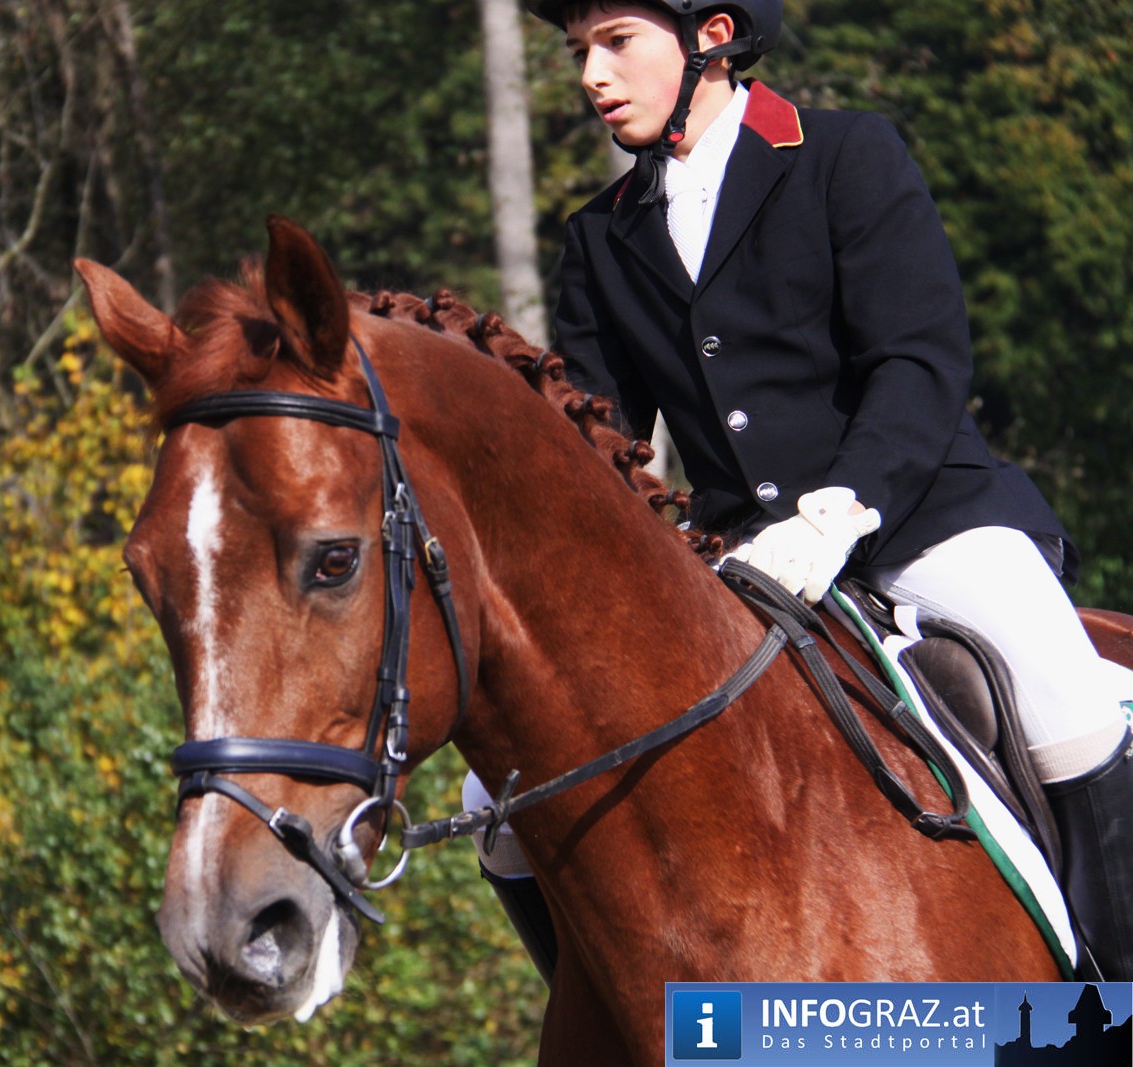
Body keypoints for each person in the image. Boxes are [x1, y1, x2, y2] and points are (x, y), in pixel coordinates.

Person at [477, 0, 1132, 982]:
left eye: (615, 43)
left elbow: (917, 360)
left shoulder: (843, 154)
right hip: (744, 555)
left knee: (1062, 693)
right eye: (580, 52)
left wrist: (840, 506)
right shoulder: (602, 235)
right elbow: (594, 444)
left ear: (711, 35)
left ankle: (1111, 1012)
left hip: (921, 518)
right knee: (501, 809)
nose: (590, 77)